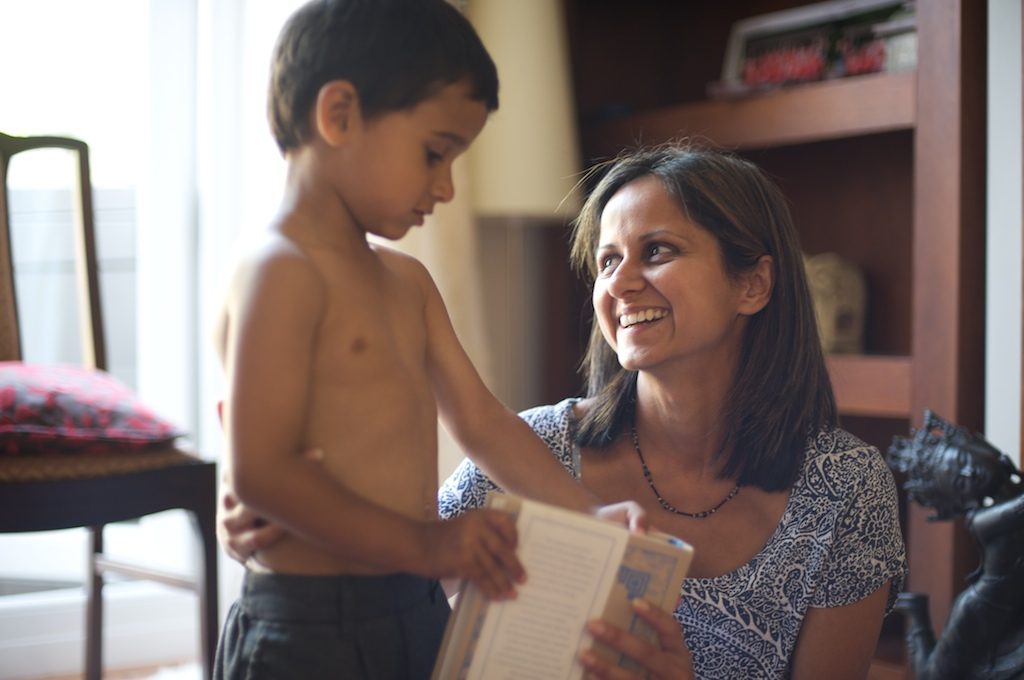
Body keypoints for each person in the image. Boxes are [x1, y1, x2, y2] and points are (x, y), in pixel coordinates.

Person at [221, 142, 907, 679]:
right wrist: (284, 522)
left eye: (657, 251)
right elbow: (398, 566)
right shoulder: (533, 453)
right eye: (606, 261)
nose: (619, 283)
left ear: (752, 284)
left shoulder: (845, 490)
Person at [211, 1, 643, 678]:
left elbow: (483, 424)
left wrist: (591, 514)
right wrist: (428, 544)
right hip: (310, 623)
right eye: (435, 153)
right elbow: (261, 472)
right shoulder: (279, 272)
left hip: (415, 608)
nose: (445, 187)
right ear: (339, 114)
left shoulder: (407, 282)